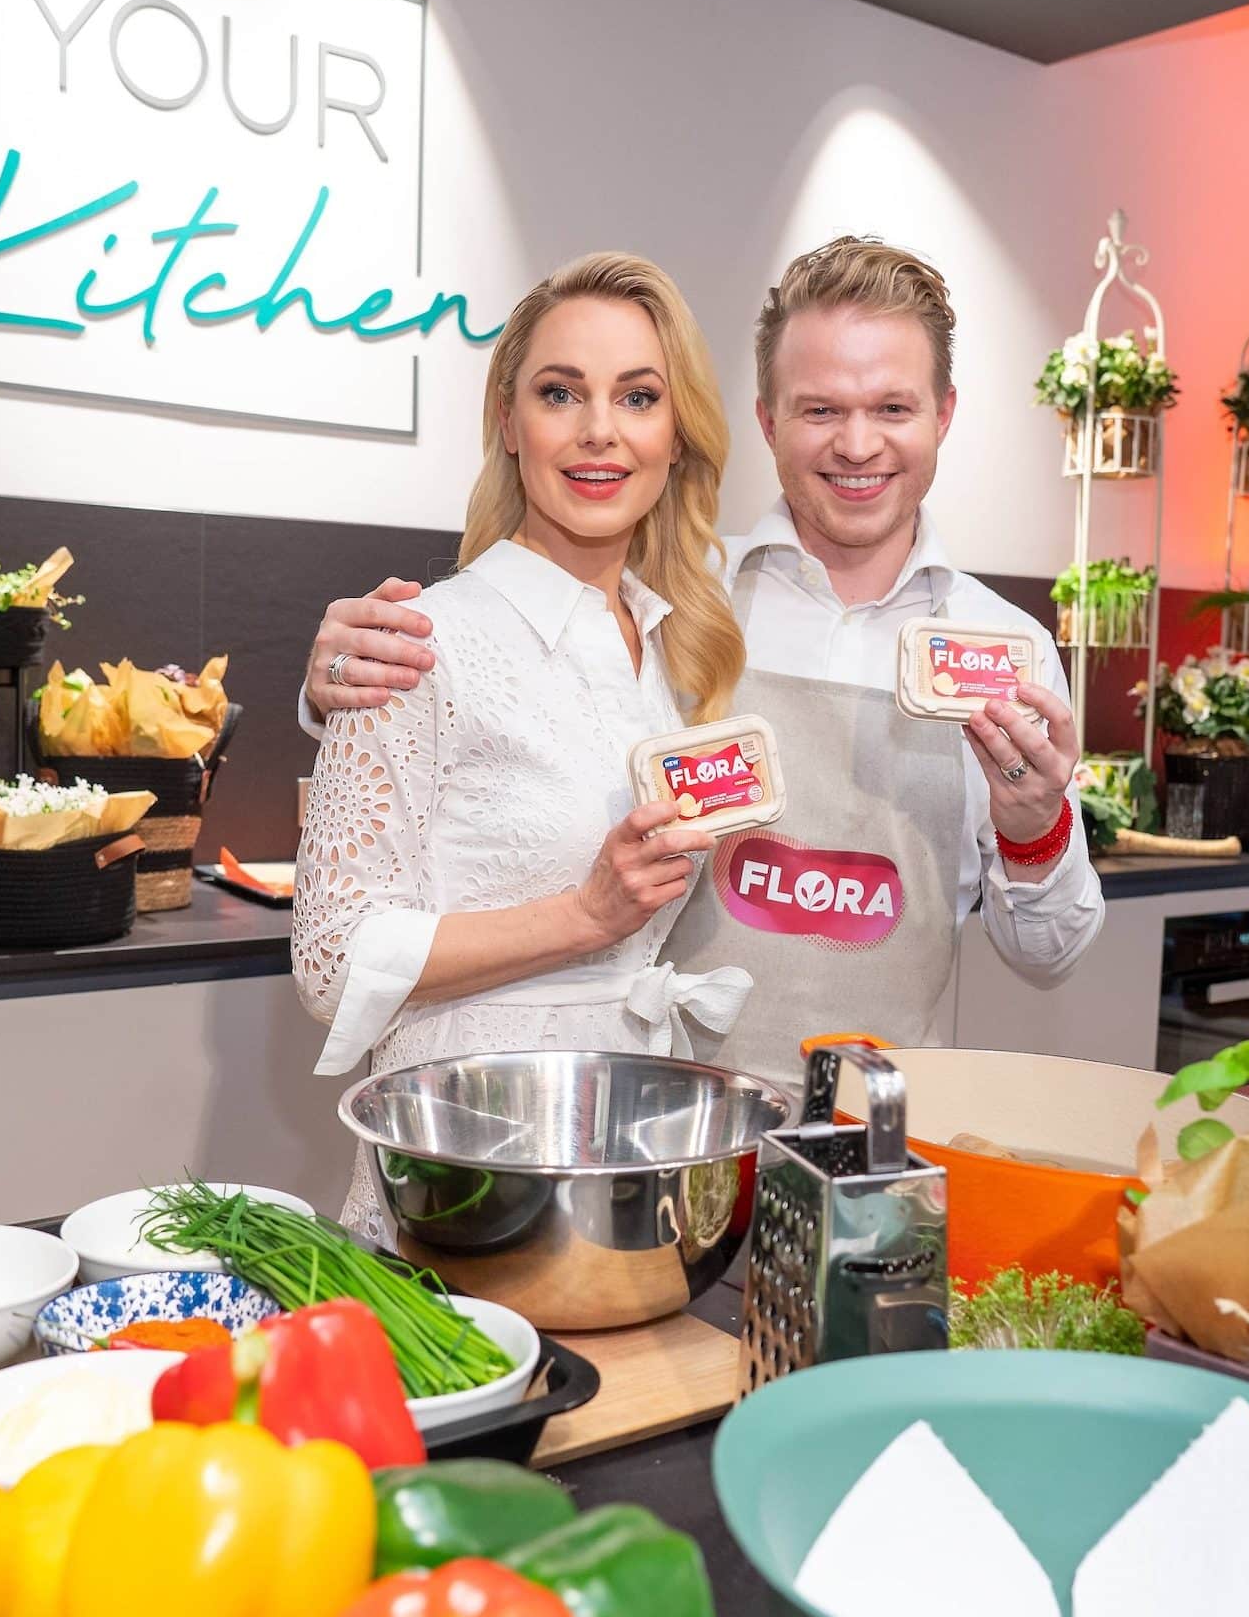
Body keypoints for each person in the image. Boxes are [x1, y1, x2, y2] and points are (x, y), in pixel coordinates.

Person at [302, 239, 1102, 1083]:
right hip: (672, 1128)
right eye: (820, 410)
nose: (857, 445)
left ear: (944, 414)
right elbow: (507, 689)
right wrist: (340, 690)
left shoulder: (1004, 653)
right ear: (767, 420)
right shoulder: (673, 595)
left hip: (874, 1150)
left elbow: (1050, 954)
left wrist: (1034, 826)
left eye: (893, 409)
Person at [290, 252, 753, 1230]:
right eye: (559, 393)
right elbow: (333, 962)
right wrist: (587, 914)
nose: (598, 431)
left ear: (676, 435)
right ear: (509, 422)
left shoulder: (679, 657)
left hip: (622, 1176)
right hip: (457, 1191)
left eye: (637, 396)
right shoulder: (419, 642)